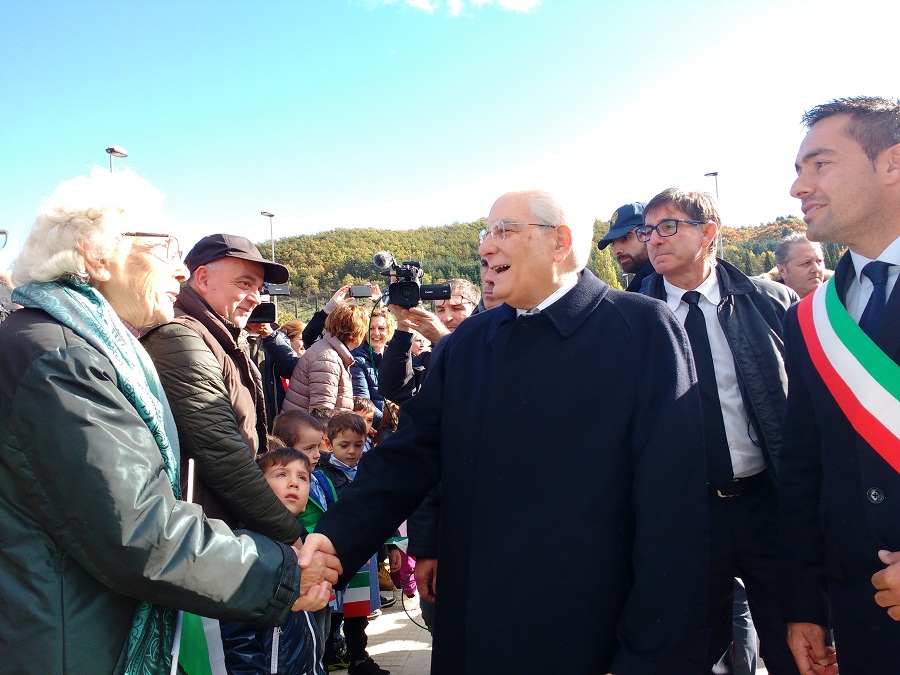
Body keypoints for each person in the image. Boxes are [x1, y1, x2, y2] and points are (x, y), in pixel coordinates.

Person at [300, 189, 710, 673]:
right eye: (485, 233)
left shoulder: (641, 329)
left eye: (504, 231)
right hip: (476, 624)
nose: (485, 248)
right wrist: (336, 538)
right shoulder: (470, 343)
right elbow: (407, 457)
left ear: (560, 242)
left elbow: (676, 505)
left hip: (587, 631)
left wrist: (652, 654)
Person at [0, 170, 336, 673]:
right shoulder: (62, 357)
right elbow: (138, 530)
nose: (180, 270)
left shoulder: (73, 344)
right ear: (97, 253)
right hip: (68, 641)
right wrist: (286, 572)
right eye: (164, 250)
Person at [638, 187, 798, 674]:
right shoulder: (631, 315)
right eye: (648, 231)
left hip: (765, 504)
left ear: (708, 233)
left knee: (790, 636)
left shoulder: (766, 303)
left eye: (669, 226)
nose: (654, 240)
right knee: (686, 648)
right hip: (682, 514)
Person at [780, 96, 900, 675]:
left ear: (892, 164)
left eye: (819, 164)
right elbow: (806, 469)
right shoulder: (810, 318)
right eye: (800, 169)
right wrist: (806, 604)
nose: (798, 187)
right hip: (863, 620)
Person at [141, 233, 306, 544]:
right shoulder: (181, 338)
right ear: (202, 278)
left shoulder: (221, 337)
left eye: (259, 288)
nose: (256, 297)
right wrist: (290, 533)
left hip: (223, 528)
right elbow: (221, 455)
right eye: (245, 284)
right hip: (205, 533)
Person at [220, 447, 326, 675]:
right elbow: (238, 638)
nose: (293, 483)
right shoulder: (249, 549)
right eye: (281, 474)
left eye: (302, 477)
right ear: (257, 489)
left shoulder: (305, 548)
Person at [317, 412, 390, 675]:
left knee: (357, 613)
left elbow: (381, 512)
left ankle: (358, 658)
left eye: (358, 445)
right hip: (334, 557)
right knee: (331, 613)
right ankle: (324, 659)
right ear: (329, 443)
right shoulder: (322, 476)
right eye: (344, 445)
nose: (351, 452)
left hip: (362, 556)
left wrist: (388, 549)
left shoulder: (368, 472)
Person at [377, 278, 479, 403]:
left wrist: (442, 338)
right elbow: (395, 391)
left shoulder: (489, 345)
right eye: (440, 310)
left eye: (457, 308)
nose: (447, 317)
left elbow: (476, 379)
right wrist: (404, 324)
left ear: (475, 309)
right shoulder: (427, 358)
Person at [282, 303, 369, 415]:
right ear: (358, 332)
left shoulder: (328, 351)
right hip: (307, 430)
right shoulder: (327, 360)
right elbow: (322, 414)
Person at [349, 304, 395, 428]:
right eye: (371, 328)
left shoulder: (396, 357)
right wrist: (391, 425)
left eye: (381, 328)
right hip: (376, 427)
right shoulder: (356, 361)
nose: (376, 333)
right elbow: (364, 405)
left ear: (389, 331)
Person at [597, 201, 654, 291]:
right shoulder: (642, 287)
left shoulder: (667, 283)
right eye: (613, 243)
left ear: (649, 233)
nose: (616, 251)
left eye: (626, 238)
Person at [774, 233, 828, 299]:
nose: (816, 269)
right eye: (806, 263)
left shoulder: (841, 300)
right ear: (782, 271)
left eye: (819, 261)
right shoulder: (767, 307)